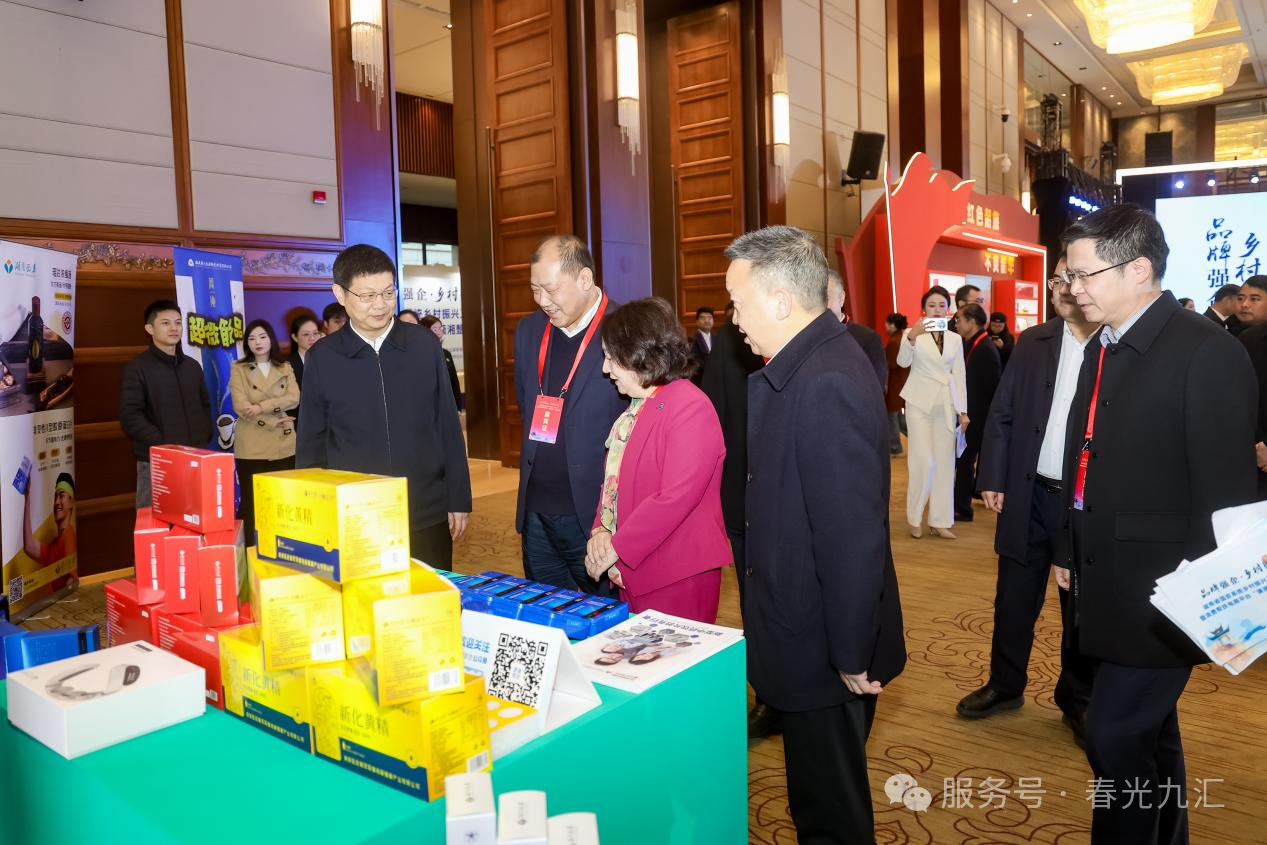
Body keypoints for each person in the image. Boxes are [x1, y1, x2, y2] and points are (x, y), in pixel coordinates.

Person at [1061, 205, 1256, 843]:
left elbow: (1224, 497)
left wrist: (1205, 605)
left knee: (1114, 736)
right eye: (1070, 275)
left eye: (1084, 274)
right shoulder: (1105, 343)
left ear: (1139, 270)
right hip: (1105, 576)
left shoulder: (1207, 351)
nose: (1074, 288)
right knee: (1151, 736)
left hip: (1165, 591)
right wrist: (1069, 546)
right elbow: (1084, 454)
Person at [725, 225, 905, 844]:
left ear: (780, 301)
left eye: (738, 304)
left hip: (827, 644)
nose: (733, 320)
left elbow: (851, 535)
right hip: (807, 626)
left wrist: (851, 652)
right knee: (818, 796)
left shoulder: (826, 378)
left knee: (830, 813)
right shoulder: (807, 363)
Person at [957, 255, 1097, 746]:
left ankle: (1077, 700)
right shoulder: (1035, 340)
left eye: (1072, 278)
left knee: (1079, 608)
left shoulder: (1114, 343)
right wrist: (992, 476)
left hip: (1083, 505)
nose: (1062, 287)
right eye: (1057, 278)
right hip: (1027, 493)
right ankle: (1005, 684)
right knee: (1013, 599)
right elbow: (1003, 412)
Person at [296, 244, 471, 566]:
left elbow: (447, 424)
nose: (380, 305)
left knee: (429, 592)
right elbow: (312, 440)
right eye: (368, 295)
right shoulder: (323, 357)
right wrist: (312, 511)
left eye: (388, 293)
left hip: (425, 510)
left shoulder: (423, 344)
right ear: (340, 293)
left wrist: (458, 497)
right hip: (355, 515)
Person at [581, 297, 731, 623]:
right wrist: (600, 532)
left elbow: (676, 497)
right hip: (633, 567)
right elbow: (614, 484)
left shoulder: (689, 406)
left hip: (676, 573)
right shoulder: (637, 407)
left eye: (611, 358)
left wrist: (615, 547)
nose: (605, 369)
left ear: (639, 353)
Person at [514, 235, 628, 594]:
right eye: (535, 290)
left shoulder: (625, 329)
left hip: (597, 517)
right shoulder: (529, 329)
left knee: (604, 617)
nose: (542, 301)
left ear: (584, 279)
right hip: (537, 512)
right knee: (545, 613)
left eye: (551, 290)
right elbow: (525, 404)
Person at [700, 299, 771, 736]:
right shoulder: (728, 342)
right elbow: (713, 419)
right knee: (754, 600)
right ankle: (766, 694)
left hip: (802, 498)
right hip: (744, 497)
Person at [119, 299, 213, 506]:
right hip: (158, 461)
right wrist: (163, 442)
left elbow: (205, 404)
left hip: (195, 457)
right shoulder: (138, 368)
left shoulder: (192, 366)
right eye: (165, 323)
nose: (174, 328)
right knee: (155, 519)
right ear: (149, 329)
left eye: (178, 323)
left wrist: (204, 434)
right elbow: (130, 416)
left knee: (194, 515)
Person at [898, 286, 967, 539]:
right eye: (931, 305)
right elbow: (902, 362)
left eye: (941, 305)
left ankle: (940, 520)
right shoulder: (911, 333)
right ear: (924, 308)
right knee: (923, 461)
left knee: (945, 464)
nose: (937, 310)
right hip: (919, 403)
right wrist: (912, 338)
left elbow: (959, 375)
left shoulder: (955, 339)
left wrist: (963, 411)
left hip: (946, 405)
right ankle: (914, 517)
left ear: (948, 309)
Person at [229, 319, 299, 545]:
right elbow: (241, 407)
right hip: (252, 444)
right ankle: (248, 551)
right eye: (251, 338)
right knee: (251, 503)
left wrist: (261, 407)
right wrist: (271, 421)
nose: (257, 342)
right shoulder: (238, 368)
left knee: (283, 500)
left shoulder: (284, 367)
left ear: (271, 339)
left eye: (262, 337)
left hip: (283, 443)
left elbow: (294, 398)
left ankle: (282, 550)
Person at [952, 302, 1001, 522]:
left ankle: (963, 508)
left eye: (959, 319)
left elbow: (993, 389)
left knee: (964, 462)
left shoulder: (984, 348)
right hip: (970, 415)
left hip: (977, 418)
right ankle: (963, 502)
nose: (956, 324)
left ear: (971, 321)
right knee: (964, 461)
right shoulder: (972, 343)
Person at [827, 270, 886, 390]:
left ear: (841, 298)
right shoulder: (804, 338)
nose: (819, 305)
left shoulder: (868, 339)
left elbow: (874, 389)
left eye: (826, 298)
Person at [1236, 276, 1267, 499]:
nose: (1245, 304)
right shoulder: (1247, 339)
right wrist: (1258, 444)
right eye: (1241, 298)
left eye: (1255, 299)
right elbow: (1242, 400)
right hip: (1253, 452)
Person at [22, 472, 76, 593]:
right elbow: (29, 546)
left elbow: (71, 580)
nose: (56, 502)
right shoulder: (54, 545)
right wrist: (27, 497)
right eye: (55, 497)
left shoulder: (69, 536)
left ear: (71, 502)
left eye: (61, 496)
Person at [420, 314, 463, 411]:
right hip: (428, 407)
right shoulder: (420, 354)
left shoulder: (446, 353)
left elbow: (454, 382)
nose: (439, 332)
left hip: (447, 404)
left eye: (440, 328)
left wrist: (458, 407)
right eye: (435, 329)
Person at [883, 313, 909, 455]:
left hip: (895, 384)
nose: (885, 326)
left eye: (887, 323)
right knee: (899, 416)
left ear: (893, 325)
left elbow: (891, 365)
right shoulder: (902, 339)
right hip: (903, 382)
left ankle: (894, 446)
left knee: (892, 415)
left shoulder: (893, 342)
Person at [288, 314, 320, 389]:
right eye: (306, 334)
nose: (312, 338)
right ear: (295, 337)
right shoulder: (288, 366)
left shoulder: (328, 359)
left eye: (315, 333)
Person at [689, 306, 715, 385]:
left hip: (714, 380)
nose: (706, 321)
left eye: (709, 318)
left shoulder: (717, 339)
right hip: (699, 381)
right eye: (703, 318)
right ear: (697, 321)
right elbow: (694, 361)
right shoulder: (691, 340)